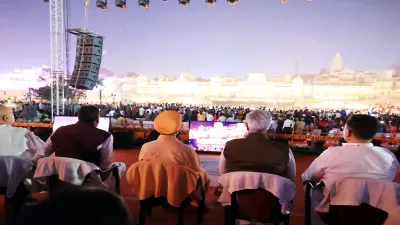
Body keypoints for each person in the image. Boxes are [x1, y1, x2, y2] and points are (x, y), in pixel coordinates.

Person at [302, 114, 400, 183]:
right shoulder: (388, 156)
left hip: (332, 209)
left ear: (348, 132)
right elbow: (390, 177)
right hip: (377, 209)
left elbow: (308, 177)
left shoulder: (330, 154)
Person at [139, 110, 209, 190]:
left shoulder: (145, 147)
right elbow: (196, 169)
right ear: (178, 128)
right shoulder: (187, 150)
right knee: (203, 173)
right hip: (180, 191)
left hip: (151, 189)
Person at [219, 110, 296, 182]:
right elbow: (290, 180)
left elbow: (224, 176)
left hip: (234, 195)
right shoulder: (285, 150)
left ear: (246, 125)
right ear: (269, 126)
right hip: (275, 196)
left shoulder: (229, 146)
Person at [34, 105, 115, 171]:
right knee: (119, 166)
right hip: (90, 180)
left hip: (60, 177)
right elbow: (106, 165)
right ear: (97, 119)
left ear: (79, 117)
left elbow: (42, 154)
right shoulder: (105, 136)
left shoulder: (59, 131)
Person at [18, 187, 133, 225]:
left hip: (60, 173)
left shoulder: (58, 134)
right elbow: (105, 163)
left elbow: (43, 153)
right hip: (91, 173)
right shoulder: (105, 136)